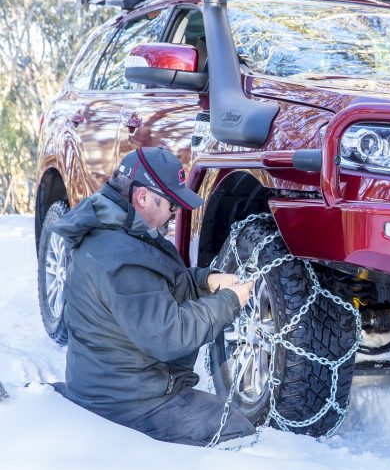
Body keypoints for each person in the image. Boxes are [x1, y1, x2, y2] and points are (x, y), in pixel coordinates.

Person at [53, 147, 256, 446]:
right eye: (172, 204)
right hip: (126, 404)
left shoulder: (119, 231)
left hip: (119, 385)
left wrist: (205, 280)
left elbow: (154, 284)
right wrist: (230, 301)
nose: (176, 213)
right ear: (143, 197)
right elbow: (168, 335)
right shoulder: (119, 256)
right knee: (235, 428)